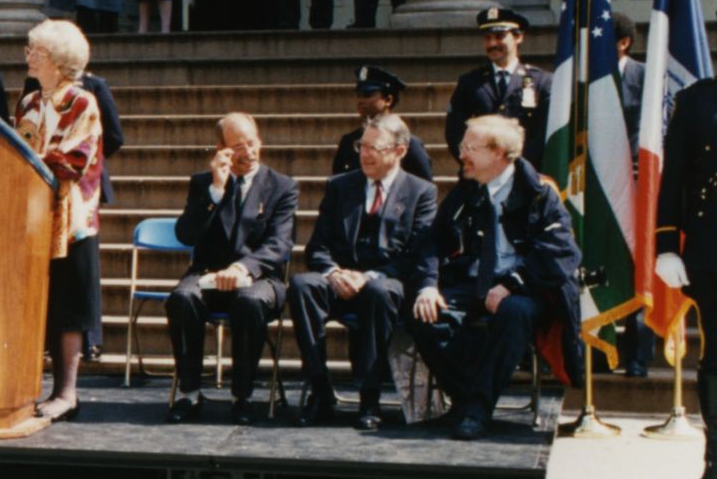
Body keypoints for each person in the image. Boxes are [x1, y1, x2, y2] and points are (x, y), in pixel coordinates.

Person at [408, 114, 581, 440]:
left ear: (498, 153)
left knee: (515, 312)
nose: (462, 155)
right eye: (463, 146)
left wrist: (511, 284)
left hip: (524, 287)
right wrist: (428, 285)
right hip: (472, 282)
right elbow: (433, 240)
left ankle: (476, 410)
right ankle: (468, 398)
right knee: (423, 313)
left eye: (470, 147)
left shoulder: (539, 192)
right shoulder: (467, 190)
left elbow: (560, 252)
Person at [289, 113, 437, 431]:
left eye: (375, 147)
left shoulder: (421, 192)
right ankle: (320, 390)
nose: (365, 154)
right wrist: (332, 272)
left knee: (378, 291)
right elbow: (317, 247)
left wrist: (368, 276)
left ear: (399, 150)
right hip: (340, 280)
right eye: (362, 145)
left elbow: (417, 254)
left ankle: (369, 398)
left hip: (386, 284)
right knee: (302, 285)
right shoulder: (341, 186)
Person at [164, 112, 298, 424]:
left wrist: (241, 269)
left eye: (252, 143)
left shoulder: (282, 186)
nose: (248, 152)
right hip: (208, 273)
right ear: (220, 149)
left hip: (259, 276)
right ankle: (189, 393)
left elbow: (280, 245)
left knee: (250, 303)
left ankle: (243, 395)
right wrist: (216, 191)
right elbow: (185, 235)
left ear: (260, 142)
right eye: (238, 147)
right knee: (182, 299)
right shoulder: (203, 184)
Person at [15, 20, 105, 422]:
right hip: (32, 215)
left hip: (72, 219)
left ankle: (67, 392)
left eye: (36, 50)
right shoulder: (28, 103)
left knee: (69, 304)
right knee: (41, 303)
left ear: (56, 59)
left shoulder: (82, 102)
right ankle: (30, 385)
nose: (28, 55)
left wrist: (27, 161)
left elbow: (74, 158)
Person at [653, 76, 717, 479]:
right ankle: (716, 462)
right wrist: (666, 244)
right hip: (712, 247)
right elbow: (673, 173)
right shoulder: (696, 100)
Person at [445, 7, 551, 173]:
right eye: (487, 38)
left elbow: (543, 133)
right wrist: (478, 162)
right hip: (479, 174)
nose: (492, 44)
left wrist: (516, 166)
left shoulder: (541, 81)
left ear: (518, 37)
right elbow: (455, 133)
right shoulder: (470, 82)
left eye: (500, 36)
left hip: (526, 174)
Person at [612, 12, 651, 376]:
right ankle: (602, 349)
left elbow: (652, 128)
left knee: (639, 264)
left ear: (623, 43)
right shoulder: (585, 78)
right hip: (600, 186)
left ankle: (638, 353)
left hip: (636, 180)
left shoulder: (645, 76)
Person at [80, 69, 123, 362]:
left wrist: (88, 161)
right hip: (48, 186)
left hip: (85, 185)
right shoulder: (35, 85)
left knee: (86, 265)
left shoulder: (94, 84)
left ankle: (90, 338)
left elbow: (114, 135)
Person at [331, 66, 435, 179]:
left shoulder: (408, 144)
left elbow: (423, 188)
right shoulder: (349, 141)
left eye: (368, 95)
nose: (361, 101)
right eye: (359, 96)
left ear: (388, 100)